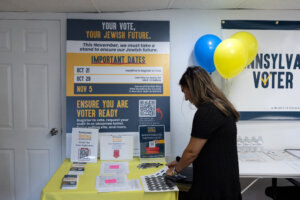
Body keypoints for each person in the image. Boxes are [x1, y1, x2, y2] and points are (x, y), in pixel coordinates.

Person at [166, 66, 242, 200]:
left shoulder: (207, 111)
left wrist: (175, 171)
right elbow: (210, 147)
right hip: (226, 183)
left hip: (213, 186)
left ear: (193, 88)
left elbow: (192, 152)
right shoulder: (220, 106)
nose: (186, 98)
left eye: (185, 92)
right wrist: (179, 162)